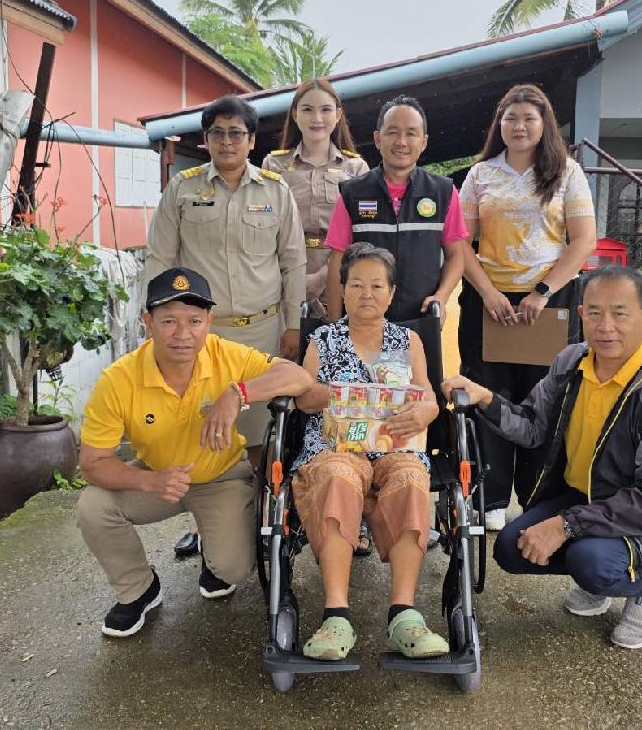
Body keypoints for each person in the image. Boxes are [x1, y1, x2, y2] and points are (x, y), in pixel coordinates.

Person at [442, 266, 642, 650]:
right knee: (510, 549)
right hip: (583, 496)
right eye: (594, 313)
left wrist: (565, 525)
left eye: (620, 313)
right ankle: (598, 571)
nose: (606, 326)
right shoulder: (571, 362)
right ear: (581, 315)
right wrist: (485, 398)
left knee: (591, 562)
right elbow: (532, 426)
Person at [76, 267, 312, 637]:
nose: (183, 333)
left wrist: (237, 393)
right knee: (93, 507)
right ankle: (138, 590)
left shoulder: (224, 354)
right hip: (159, 478)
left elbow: (299, 377)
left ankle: (210, 545)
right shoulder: (118, 380)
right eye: (169, 321)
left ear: (208, 323)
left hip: (221, 476)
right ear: (148, 323)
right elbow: (92, 464)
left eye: (194, 321)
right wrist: (150, 481)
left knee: (233, 569)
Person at [146, 94, 307, 558]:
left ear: (252, 140)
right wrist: (155, 320)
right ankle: (204, 528)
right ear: (206, 139)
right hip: (200, 336)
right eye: (217, 132)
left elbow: (293, 262)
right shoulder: (182, 189)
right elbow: (160, 257)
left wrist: (293, 324)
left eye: (237, 133)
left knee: (256, 434)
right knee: (197, 431)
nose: (227, 141)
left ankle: (259, 519)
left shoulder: (275, 191)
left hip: (261, 330)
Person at [292, 243, 448, 661]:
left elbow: (428, 396)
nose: (366, 293)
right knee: (338, 476)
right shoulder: (323, 339)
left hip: (394, 444)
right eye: (356, 284)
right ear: (342, 290)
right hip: (336, 445)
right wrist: (341, 395)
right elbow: (303, 399)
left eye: (377, 285)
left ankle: (404, 615)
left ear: (391, 293)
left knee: (411, 478)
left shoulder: (408, 340)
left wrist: (425, 411)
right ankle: (336, 617)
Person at [457, 84, 598, 531]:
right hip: (490, 303)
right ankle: (491, 498)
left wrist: (542, 291)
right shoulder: (481, 174)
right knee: (490, 394)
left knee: (545, 398)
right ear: (499, 124)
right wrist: (487, 293)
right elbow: (460, 241)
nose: (519, 126)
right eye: (511, 117)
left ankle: (537, 498)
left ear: (544, 124)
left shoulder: (566, 173)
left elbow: (583, 241)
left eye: (529, 118)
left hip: (548, 303)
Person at [323, 95, 466, 327]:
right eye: (392, 132)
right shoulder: (352, 193)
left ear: (424, 142)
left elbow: (456, 256)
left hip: (421, 321)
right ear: (377, 139)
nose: (401, 142)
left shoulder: (444, 192)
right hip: (363, 323)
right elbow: (336, 261)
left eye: (411, 133)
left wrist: (441, 296)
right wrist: (334, 325)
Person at [263, 78, 369, 317]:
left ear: (338, 115)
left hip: (340, 276)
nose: (317, 118)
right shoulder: (274, 165)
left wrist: (324, 276)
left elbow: (361, 231)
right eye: (308, 109)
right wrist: (294, 278)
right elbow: (265, 229)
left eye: (326, 110)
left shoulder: (355, 168)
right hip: (284, 278)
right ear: (295, 114)